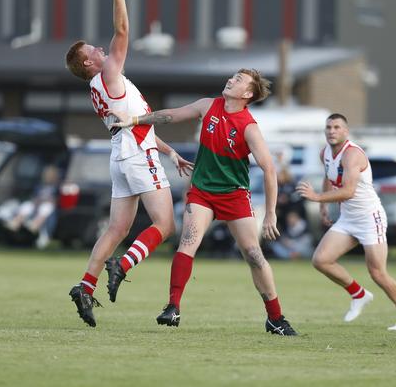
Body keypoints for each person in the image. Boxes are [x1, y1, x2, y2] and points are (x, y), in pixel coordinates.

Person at [109, 69, 298, 336]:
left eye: (239, 80)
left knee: (255, 256)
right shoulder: (208, 105)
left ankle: (275, 318)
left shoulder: (248, 126)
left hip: (235, 194)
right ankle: (173, 307)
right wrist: (135, 119)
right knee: (188, 243)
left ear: (247, 94)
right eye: (233, 76)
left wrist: (270, 214)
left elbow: (269, 169)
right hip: (202, 193)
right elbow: (172, 115)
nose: (231, 80)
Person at [64, 0, 193, 327]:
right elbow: (123, 31)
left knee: (117, 229)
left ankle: (85, 285)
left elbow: (134, 123)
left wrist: (169, 152)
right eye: (93, 49)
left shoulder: (101, 85)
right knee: (165, 224)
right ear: (89, 63)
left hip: (123, 151)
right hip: (135, 152)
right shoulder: (107, 74)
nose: (100, 48)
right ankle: (122, 264)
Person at [296, 113, 396, 330]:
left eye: (336, 127)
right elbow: (329, 175)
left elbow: (349, 191)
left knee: (377, 272)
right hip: (348, 219)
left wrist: (317, 197)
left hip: (370, 218)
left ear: (346, 131)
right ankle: (358, 294)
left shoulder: (352, 155)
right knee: (321, 260)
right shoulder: (325, 153)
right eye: (328, 127)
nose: (332, 131)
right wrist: (323, 205)